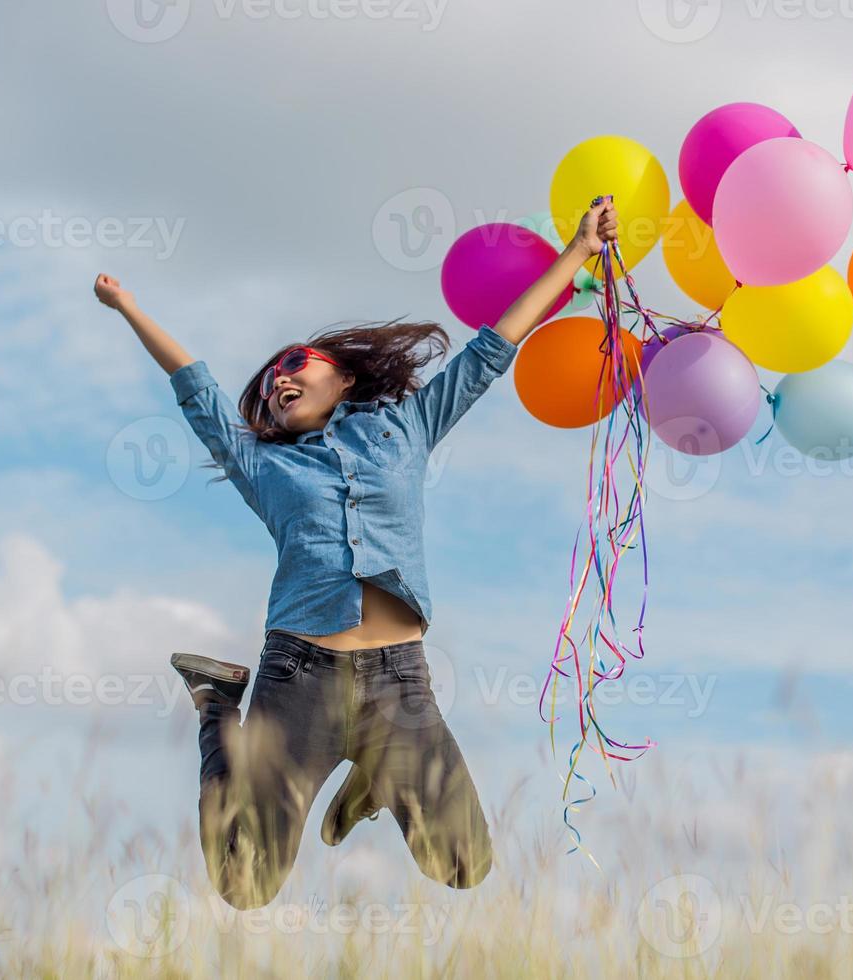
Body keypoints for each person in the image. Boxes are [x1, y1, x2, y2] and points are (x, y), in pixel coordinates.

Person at [93, 197, 619, 909]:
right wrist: (129, 307)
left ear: (342, 376)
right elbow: (197, 390)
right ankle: (217, 701)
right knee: (245, 884)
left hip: (397, 682)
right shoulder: (264, 465)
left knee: (464, 866)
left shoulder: (406, 426)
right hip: (298, 680)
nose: (276, 384)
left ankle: (373, 770)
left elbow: (494, 348)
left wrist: (580, 251)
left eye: (293, 366)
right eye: (268, 392)